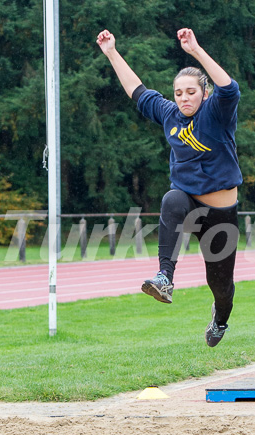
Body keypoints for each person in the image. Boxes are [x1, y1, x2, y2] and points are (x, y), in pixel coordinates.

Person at [97, 28, 242, 347]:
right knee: (171, 199)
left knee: (220, 284)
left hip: (221, 214)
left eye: (191, 92)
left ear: (203, 93)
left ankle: (220, 318)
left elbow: (229, 89)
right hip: (188, 203)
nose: (184, 98)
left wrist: (196, 51)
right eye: (179, 93)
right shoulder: (168, 114)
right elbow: (137, 90)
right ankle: (165, 278)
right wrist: (111, 53)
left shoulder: (216, 112)